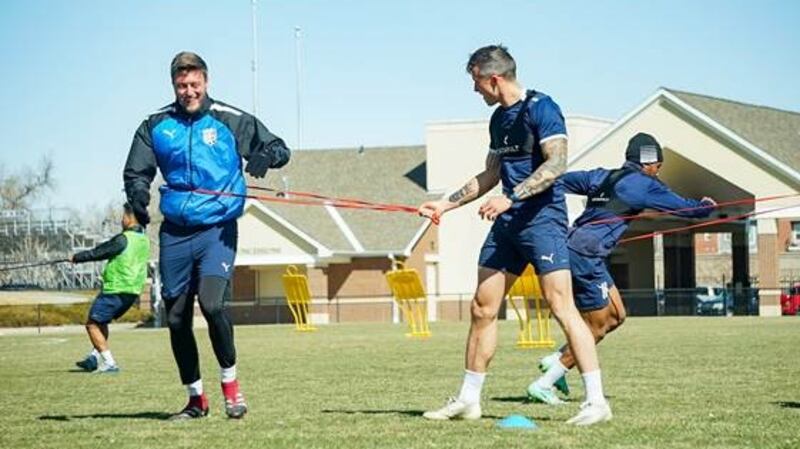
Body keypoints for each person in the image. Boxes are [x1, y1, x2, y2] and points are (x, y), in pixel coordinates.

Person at [418, 45, 611, 425]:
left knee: (562, 308)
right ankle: (469, 399)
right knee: (482, 308)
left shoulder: (542, 107)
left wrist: (512, 197)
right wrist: (444, 205)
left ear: (493, 78)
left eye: (476, 82)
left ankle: (596, 402)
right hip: (508, 228)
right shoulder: (498, 120)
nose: (475, 91)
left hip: (543, 222)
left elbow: (557, 163)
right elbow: (490, 175)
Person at [123, 51, 291, 420]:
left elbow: (279, 147)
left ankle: (232, 389)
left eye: (194, 84)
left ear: (206, 82)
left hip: (217, 229)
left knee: (213, 305)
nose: (188, 91)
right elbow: (136, 172)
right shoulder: (155, 125)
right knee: (178, 318)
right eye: (182, 85)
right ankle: (196, 400)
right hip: (176, 233)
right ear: (174, 85)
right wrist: (137, 199)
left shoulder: (229, 119)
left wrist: (265, 157)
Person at [527, 132, 717, 404]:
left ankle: (556, 360)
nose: (658, 171)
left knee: (617, 315)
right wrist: (707, 206)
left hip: (582, 250)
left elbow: (558, 179)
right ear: (649, 162)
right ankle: (545, 382)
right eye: (658, 165)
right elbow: (688, 210)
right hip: (585, 255)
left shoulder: (601, 176)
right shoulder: (646, 184)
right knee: (597, 327)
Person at [73, 203, 150, 374]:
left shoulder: (124, 238)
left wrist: (76, 258)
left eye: (123, 216)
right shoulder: (144, 240)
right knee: (102, 322)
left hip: (115, 289)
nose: (122, 219)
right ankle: (93, 357)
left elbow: (99, 252)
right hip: (132, 291)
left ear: (130, 218)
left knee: (92, 324)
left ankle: (109, 363)